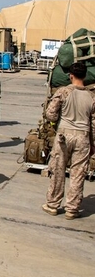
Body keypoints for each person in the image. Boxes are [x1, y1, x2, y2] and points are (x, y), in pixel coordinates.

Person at [42, 62, 95, 220]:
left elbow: (50, 114)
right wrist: (93, 143)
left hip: (64, 135)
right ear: (85, 76)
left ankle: (52, 204)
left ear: (70, 76)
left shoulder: (63, 92)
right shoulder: (92, 96)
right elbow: (94, 123)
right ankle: (72, 209)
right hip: (83, 136)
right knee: (78, 173)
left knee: (58, 170)